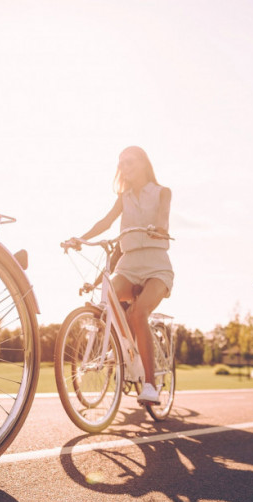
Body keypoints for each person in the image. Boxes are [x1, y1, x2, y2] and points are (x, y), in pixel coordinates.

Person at [66, 146, 173, 405]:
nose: (125, 167)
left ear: (144, 163)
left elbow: (163, 216)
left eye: (130, 161)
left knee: (138, 313)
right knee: (107, 298)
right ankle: (125, 352)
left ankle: (149, 385)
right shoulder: (123, 197)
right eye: (121, 163)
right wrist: (81, 238)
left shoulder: (162, 192)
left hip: (156, 264)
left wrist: (158, 229)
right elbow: (106, 221)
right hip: (129, 264)